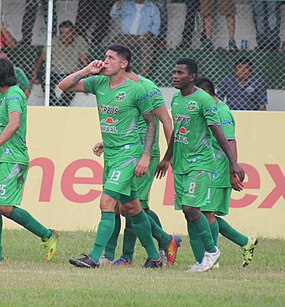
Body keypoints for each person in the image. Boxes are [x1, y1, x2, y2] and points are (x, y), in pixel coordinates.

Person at [59, 44, 175, 269]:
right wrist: (86, 70)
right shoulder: (98, 83)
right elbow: (64, 86)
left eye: (111, 58)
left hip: (129, 154)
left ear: (124, 64)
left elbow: (152, 123)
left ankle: (94, 258)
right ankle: (154, 256)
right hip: (111, 155)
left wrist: (145, 156)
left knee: (107, 202)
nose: (105, 61)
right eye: (105, 56)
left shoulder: (137, 89)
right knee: (131, 207)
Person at [155, 58, 245, 272]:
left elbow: (219, 134)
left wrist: (234, 163)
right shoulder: (176, 99)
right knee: (188, 212)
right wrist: (168, 157)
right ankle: (203, 259)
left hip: (202, 163)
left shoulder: (204, 100)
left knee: (191, 208)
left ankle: (211, 251)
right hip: (181, 164)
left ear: (192, 77)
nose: (175, 76)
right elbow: (178, 130)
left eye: (179, 73)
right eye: (174, 72)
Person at [94, 71, 180, 267]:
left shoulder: (146, 88)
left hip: (144, 154)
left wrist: (169, 156)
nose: (106, 65)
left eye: (110, 60)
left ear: (122, 65)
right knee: (120, 205)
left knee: (132, 206)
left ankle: (133, 253)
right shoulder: (115, 85)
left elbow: (165, 120)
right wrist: (107, 143)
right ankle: (110, 255)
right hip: (124, 152)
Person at [184, 76, 258, 271]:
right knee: (203, 213)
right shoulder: (204, 109)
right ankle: (245, 242)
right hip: (205, 167)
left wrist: (233, 171)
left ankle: (211, 258)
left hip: (218, 170)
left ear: (206, 94)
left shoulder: (221, 111)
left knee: (206, 213)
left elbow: (231, 141)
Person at [0, 58, 59, 262]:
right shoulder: (3, 95)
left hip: (12, 157)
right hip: (3, 156)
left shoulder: (14, 95)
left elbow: (14, 124)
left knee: (5, 206)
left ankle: (47, 234)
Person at [32, 20, 89, 106]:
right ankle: (52, 103)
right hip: (54, 72)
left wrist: (88, 77)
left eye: (68, 33)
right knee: (45, 80)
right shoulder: (54, 41)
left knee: (72, 87)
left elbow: (84, 60)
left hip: (71, 73)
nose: (65, 36)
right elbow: (41, 59)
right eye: (62, 33)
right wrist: (34, 73)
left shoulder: (79, 41)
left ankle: (62, 105)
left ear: (73, 33)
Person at [110, 0, 161, 77]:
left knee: (148, 46)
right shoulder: (126, 4)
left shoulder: (152, 7)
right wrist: (121, 2)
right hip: (126, 36)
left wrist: (150, 34)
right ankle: (114, 71)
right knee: (114, 45)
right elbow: (113, 14)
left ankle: (143, 75)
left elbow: (156, 25)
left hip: (143, 37)